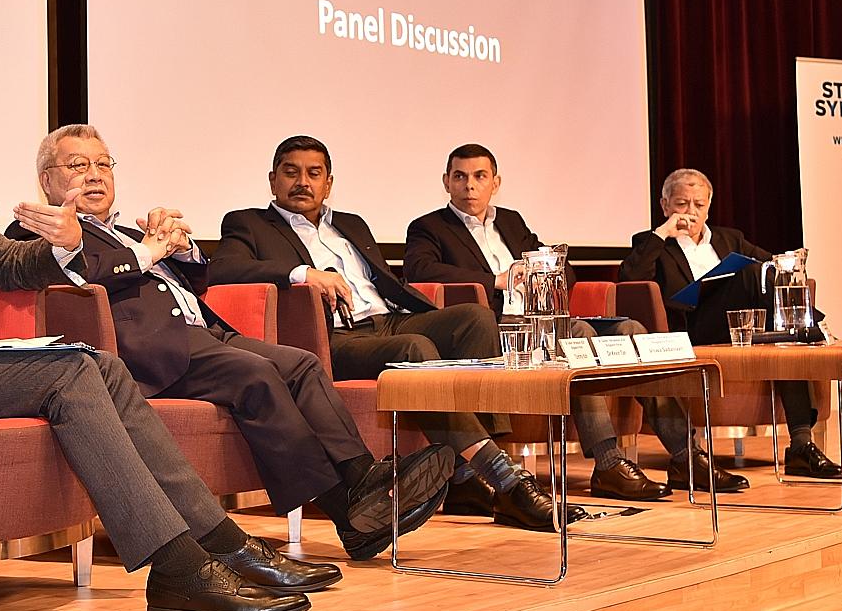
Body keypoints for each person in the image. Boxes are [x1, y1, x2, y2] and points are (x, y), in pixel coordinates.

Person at [0, 36, 323, 611]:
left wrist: (66, 242)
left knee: (100, 364)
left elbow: (4, 265)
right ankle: (178, 567)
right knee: (73, 371)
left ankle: (216, 543)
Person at [6, 124, 453, 561]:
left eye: (104, 163)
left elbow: (200, 280)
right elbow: (77, 272)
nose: (95, 174)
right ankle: (348, 511)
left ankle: (362, 480)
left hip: (206, 333)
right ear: (46, 179)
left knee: (301, 364)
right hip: (149, 350)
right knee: (255, 375)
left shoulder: (127, 230)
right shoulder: (40, 234)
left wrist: (182, 250)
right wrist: (149, 251)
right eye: (78, 164)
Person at [211, 135, 591, 532]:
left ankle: (464, 476)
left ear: (329, 182)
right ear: (273, 180)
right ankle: (504, 479)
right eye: (291, 173)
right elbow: (222, 270)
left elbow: (386, 282)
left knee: (475, 319)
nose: (302, 182)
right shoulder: (248, 223)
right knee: (415, 348)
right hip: (336, 337)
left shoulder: (351, 224)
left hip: (390, 318)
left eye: (314, 173)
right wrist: (304, 274)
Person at [402, 143, 750, 503]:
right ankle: (608, 462)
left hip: (548, 322)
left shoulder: (511, 221)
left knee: (632, 331)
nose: (470, 186)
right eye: (460, 177)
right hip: (502, 329)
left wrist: (546, 270)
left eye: (479, 177)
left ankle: (686, 456)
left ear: (496, 182)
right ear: (446, 182)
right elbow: (420, 271)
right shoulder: (429, 228)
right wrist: (497, 279)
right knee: (577, 336)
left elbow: (560, 266)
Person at [617, 167, 842, 479]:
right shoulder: (652, 243)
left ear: (709, 205)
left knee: (781, 331)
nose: (690, 213)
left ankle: (801, 446)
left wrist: (791, 261)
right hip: (693, 328)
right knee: (753, 275)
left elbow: (771, 269)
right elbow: (629, 280)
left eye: (699, 204)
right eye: (682, 204)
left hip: (742, 327)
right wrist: (663, 233)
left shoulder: (729, 238)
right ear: (665, 205)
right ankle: (819, 333)